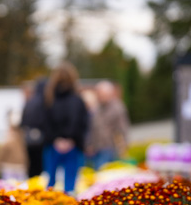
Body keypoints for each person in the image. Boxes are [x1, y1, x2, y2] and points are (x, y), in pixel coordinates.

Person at [41, 62, 88, 193]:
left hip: (52, 145)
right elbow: (81, 123)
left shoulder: (48, 98)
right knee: (70, 184)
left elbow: (45, 123)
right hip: (72, 145)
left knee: (50, 183)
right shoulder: (77, 100)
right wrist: (70, 139)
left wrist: (56, 139)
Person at [89, 81, 130, 170]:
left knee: (106, 173)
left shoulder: (117, 107)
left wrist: (123, 147)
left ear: (108, 93)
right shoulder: (97, 108)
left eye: (100, 93)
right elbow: (93, 128)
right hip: (97, 148)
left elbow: (123, 129)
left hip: (110, 147)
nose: (98, 96)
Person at [0, 109, 28, 181]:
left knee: (9, 187)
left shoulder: (10, 138)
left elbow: (1, 151)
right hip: (19, 167)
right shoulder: (22, 138)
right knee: (19, 188)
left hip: (10, 168)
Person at [21, 79, 46, 178]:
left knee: (31, 165)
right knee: (40, 166)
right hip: (41, 139)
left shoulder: (29, 102)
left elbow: (23, 122)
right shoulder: (44, 102)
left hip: (29, 139)